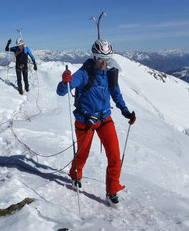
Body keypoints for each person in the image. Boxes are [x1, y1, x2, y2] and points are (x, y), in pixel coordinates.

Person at [56, 39, 136, 207]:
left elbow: (116, 94)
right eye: (100, 58)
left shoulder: (110, 73)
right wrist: (65, 82)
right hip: (85, 121)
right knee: (83, 154)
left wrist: (125, 111)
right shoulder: (84, 73)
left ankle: (112, 191)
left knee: (115, 156)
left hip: (105, 118)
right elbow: (62, 91)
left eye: (107, 58)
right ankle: (75, 175)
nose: (104, 62)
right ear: (94, 57)